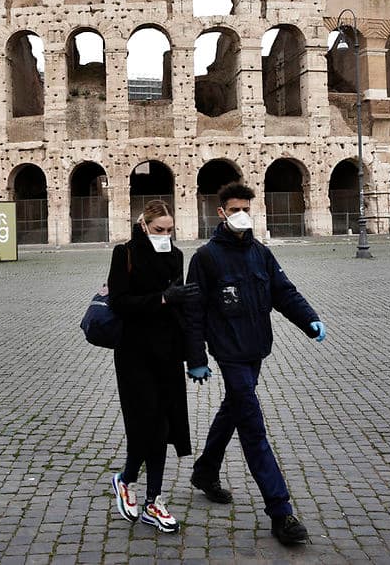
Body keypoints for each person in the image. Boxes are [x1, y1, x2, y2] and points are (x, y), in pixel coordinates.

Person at [183, 182, 327, 546]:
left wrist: (309, 319)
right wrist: (196, 358)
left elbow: (283, 291)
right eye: (234, 209)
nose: (241, 214)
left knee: (234, 408)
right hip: (228, 353)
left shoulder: (260, 253)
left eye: (246, 208)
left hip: (256, 349)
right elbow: (194, 312)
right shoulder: (206, 257)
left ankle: (204, 471)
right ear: (221, 213)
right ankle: (280, 511)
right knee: (252, 426)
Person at [107, 199, 200, 533]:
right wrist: (162, 298)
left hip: (168, 351)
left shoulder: (176, 256)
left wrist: (195, 355)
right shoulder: (125, 254)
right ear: (144, 225)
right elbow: (118, 302)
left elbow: (182, 310)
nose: (165, 235)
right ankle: (130, 481)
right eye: (159, 230)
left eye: (170, 230)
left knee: (163, 426)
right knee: (145, 425)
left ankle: (152, 500)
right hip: (134, 353)